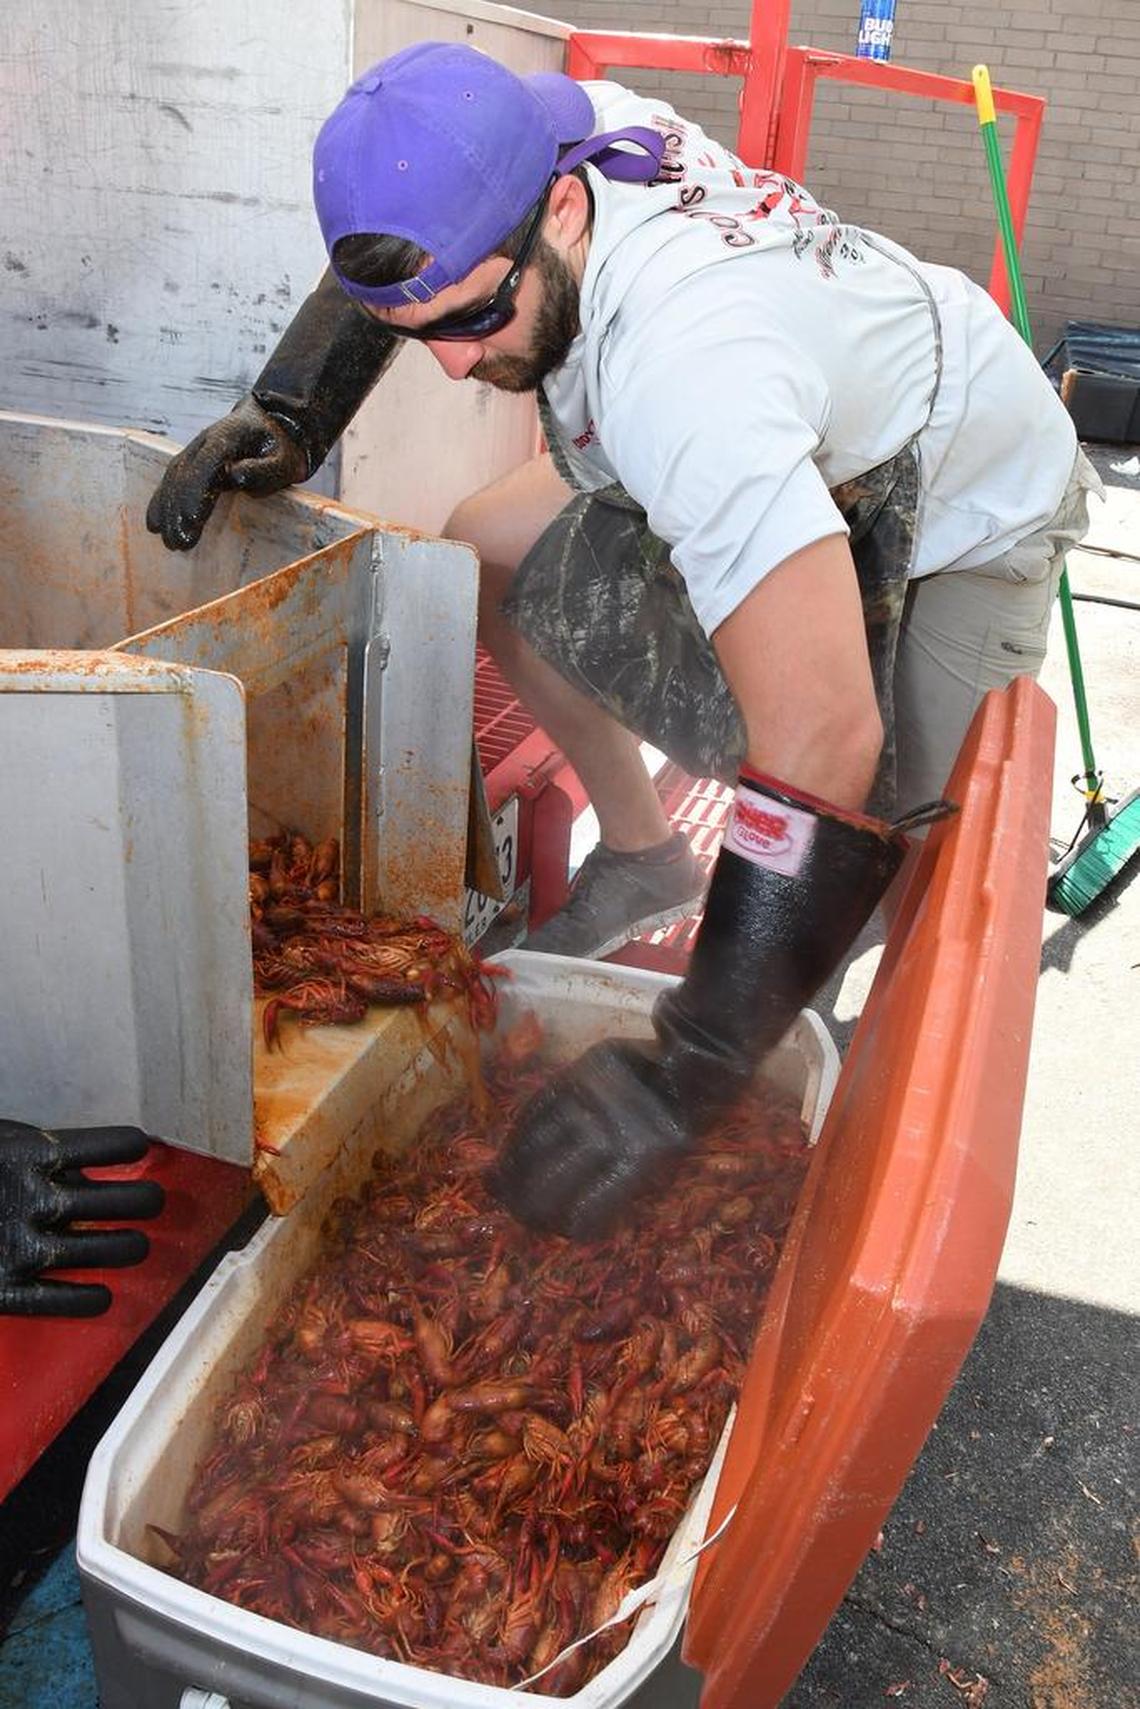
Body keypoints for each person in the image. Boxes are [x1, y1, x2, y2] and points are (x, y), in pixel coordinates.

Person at [147, 42, 1097, 1238]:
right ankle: (647, 854)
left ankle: (871, 1137)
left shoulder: (685, 373)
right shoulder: (546, 128)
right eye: (419, 326)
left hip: (959, 490)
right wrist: (294, 406)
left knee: (911, 854)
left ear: (557, 207)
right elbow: (420, 243)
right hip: (785, 419)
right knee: (485, 546)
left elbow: (823, 738)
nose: (452, 362)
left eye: (482, 315)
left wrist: (685, 1064)